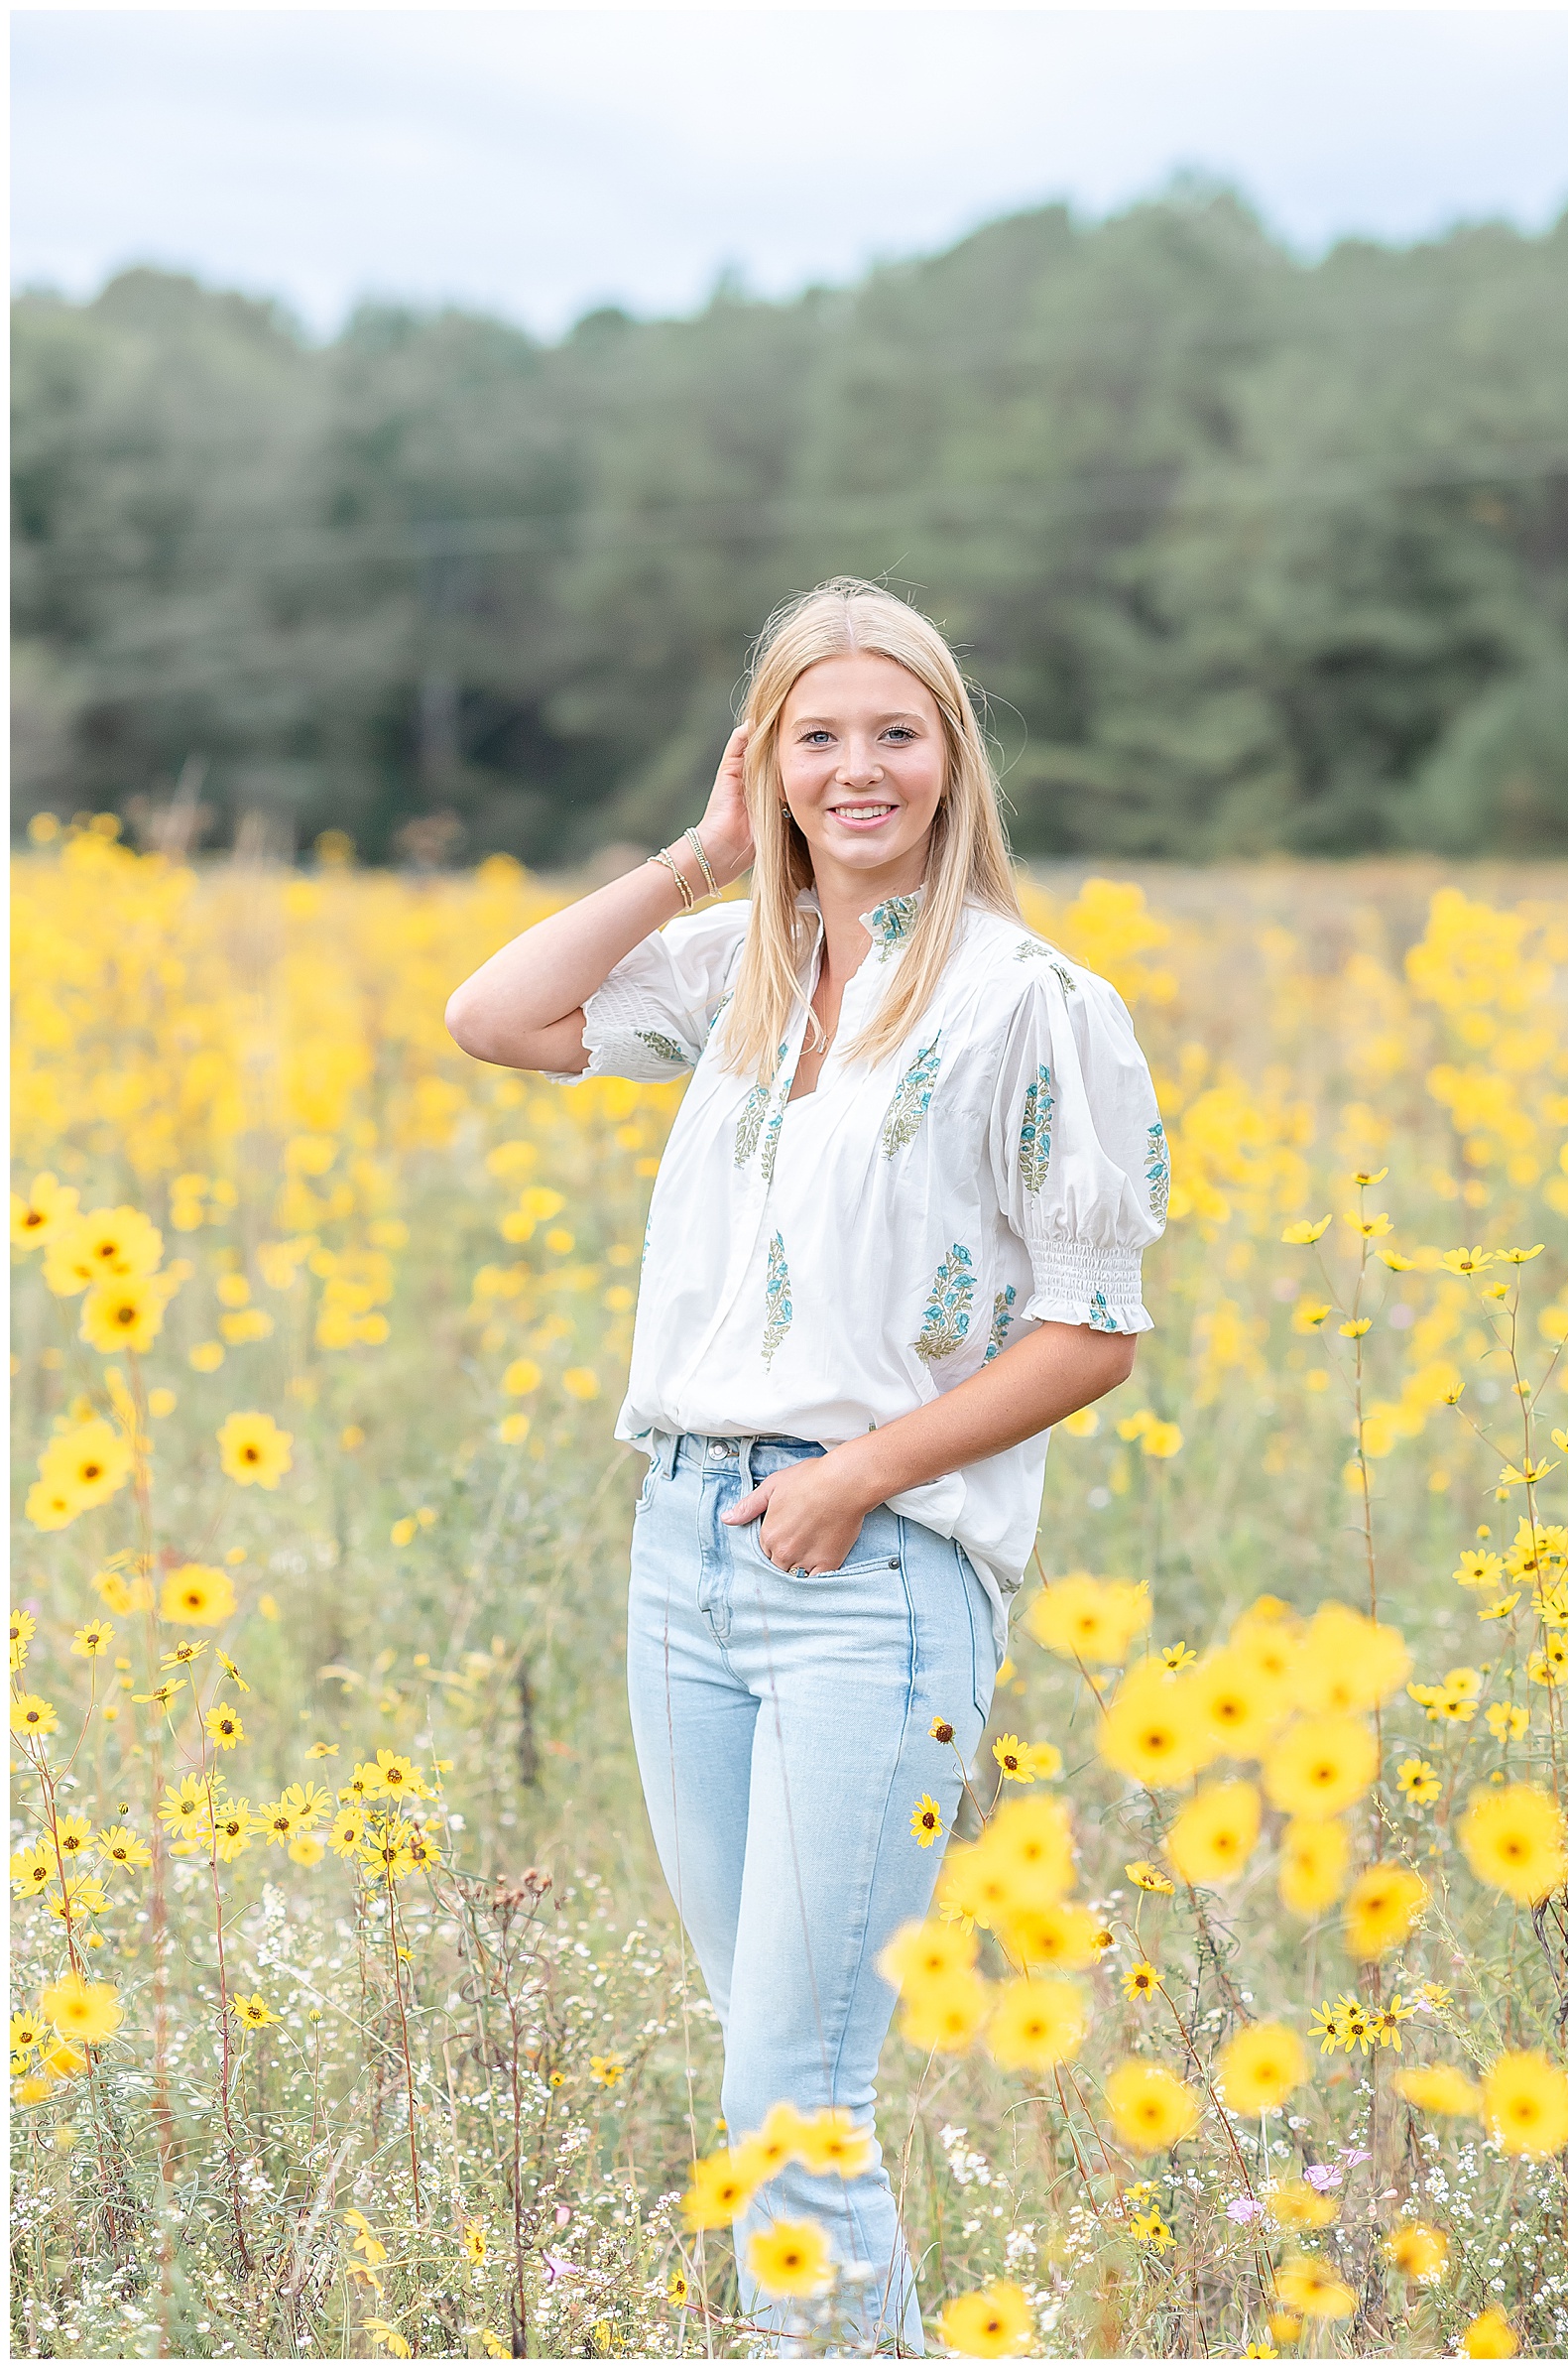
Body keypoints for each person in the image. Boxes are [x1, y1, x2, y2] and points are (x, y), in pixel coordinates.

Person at [444, 577, 1168, 2355]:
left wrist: (855, 1482)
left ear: (952, 759)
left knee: (796, 2102)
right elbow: (496, 1015)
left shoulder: (1032, 1003)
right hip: (684, 1553)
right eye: (815, 738)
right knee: (780, 2081)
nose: (860, 772)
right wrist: (699, 857)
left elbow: (1092, 1328)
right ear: (763, 763)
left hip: (878, 1571)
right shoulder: (741, 979)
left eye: (896, 734)